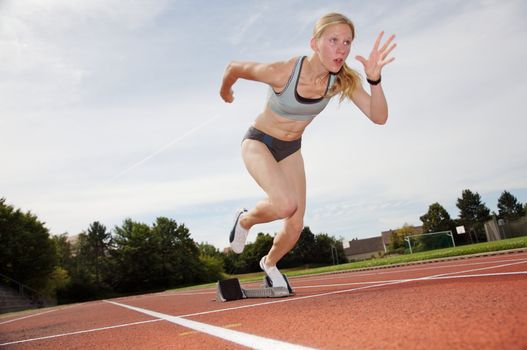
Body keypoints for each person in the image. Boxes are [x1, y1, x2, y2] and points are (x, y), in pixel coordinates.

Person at [219, 12, 396, 288]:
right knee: (284, 204)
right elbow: (234, 67)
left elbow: (379, 117)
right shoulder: (284, 72)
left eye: (347, 42)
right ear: (314, 43)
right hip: (259, 141)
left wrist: (375, 81)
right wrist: (226, 91)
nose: (342, 48)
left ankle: (269, 263)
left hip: (290, 149)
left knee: (295, 224)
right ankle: (245, 221)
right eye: (334, 40)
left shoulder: (340, 80)